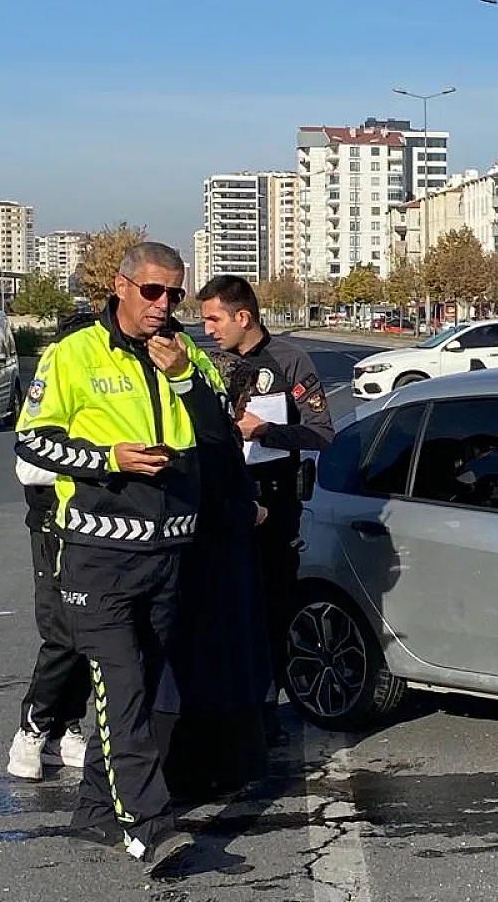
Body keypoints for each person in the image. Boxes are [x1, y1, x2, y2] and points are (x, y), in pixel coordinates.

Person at [14, 242, 222, 873]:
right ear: (121, 286)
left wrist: (185, 377)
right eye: (153, 291)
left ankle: (97, 813)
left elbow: (218, 440)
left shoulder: (186, 354)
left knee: (146, 692)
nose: (164, 305)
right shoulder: (73, 353)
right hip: (97, 555)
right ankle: (149, 827)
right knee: (122, 689)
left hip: (168, 553)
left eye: (174, 294)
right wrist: (110, 458)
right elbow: (33, 442)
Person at [197, 275, 334, 747]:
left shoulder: (289, 361)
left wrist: (264, 432)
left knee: (272, 608)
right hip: (222, 504)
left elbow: (321, 432)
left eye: (214, 319)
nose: (208, 329)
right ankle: (226, 709)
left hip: (274, 504)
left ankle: (266, 710)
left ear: (243, 317)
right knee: (221, 611)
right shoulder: (207, 365)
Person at [153, 350, 272, 803]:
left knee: (208, 667)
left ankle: (210, 767)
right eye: (242, 398)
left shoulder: (203, 427)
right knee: (212, 669)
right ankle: (204, 770)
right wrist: (251, 513)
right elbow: (210, 502)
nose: (245, 407)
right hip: (210, 565)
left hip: (208, 564)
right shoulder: (208, 433)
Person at [7, 312, 99, 782]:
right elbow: (28, 467)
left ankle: (67, 726)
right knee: (61, 633)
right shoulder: (49, 390)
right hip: (51, 529)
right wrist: (96, 459)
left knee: (92, 633)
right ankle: (32, 728)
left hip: (97, 529)